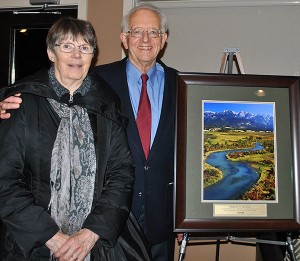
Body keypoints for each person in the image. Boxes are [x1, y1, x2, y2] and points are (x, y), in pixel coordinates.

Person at [0, 4, 178, 261]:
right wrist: (51, 236)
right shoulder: (24, 102)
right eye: (67, 47)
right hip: (34, 243)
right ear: (51, 53)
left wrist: (91, 233)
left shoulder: (105, 102)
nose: (76, 55)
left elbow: (122, 171)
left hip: (107, 235)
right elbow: (6, 179)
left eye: (85, 47)